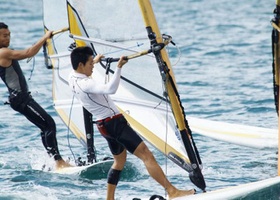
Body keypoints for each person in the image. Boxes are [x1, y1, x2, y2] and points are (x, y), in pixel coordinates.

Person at [68, 46, 195, 200]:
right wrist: (119, 67)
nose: (92, 67)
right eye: (90, 64)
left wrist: (95, 60)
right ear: (81, 65)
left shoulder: (72, 77)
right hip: (115, 124)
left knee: (119, 162)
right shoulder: (87, 84)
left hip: (103, 126)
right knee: (147, 155)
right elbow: (110, 89)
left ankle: (110, 198)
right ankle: (172, 191)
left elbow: (85, 71)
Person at [0, 22, 71, 169]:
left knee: (45, 126)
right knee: (49, 124)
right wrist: (45, 37)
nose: (8, 38)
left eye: (9, 35)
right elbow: (28, 53)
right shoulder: (3, 53)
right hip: (21, 99)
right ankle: (59, 162)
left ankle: (53, 160)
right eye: (5, 36)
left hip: (20, 99)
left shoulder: (5, 51)